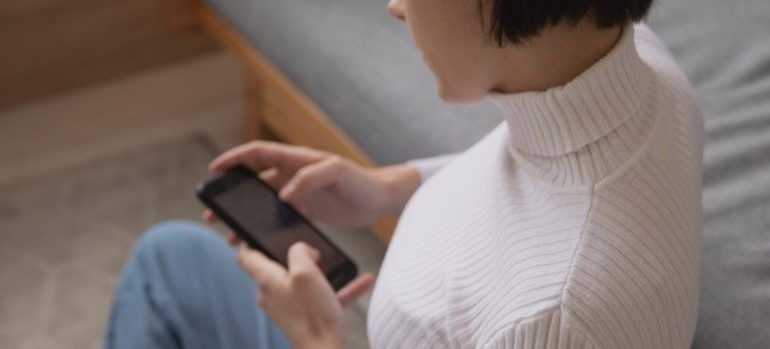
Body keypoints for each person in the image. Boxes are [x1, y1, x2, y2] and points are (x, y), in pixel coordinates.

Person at [104, 0, 703, 347]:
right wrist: (388, 190)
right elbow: (542, 168)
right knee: (171, 259)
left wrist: (319, 339)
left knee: (163, 271)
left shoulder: (555, 323)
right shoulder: (634, 61)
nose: (394, 5)